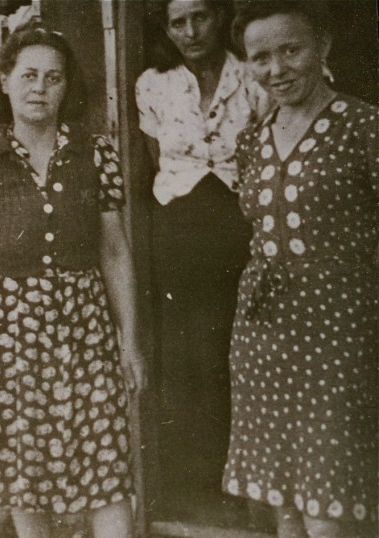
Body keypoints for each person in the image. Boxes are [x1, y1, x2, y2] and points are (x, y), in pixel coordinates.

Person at [0, 23, 147, 538]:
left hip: (85, 328)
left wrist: (129, 341)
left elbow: (114, 250)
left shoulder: (97, 154)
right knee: (22, 472)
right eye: (29, 75)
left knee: (106, 467)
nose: (40, 88)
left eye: (53, 77)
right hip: (9, 334)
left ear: (67, 88)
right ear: (5, 81)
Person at [224, 2, 379, 538]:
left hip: (341, 340)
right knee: (285, 506)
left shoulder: (363, 127)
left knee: (329, 515)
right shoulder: (252, 139)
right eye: (260, 57)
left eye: (290, 50)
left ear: (323, 45)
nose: (276, 68)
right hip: (264, 341)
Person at [135, 0, 268, 498]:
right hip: (180, 230)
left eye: (201, 17)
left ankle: (248, 479)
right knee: (189, 353)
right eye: (178, 22)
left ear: (221, 17)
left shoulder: (252, 76)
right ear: (166, 29)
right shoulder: (153, 84)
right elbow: (157, 161)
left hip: (240, 225)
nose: (191, 31)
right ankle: (200, 480)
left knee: (241, 348)